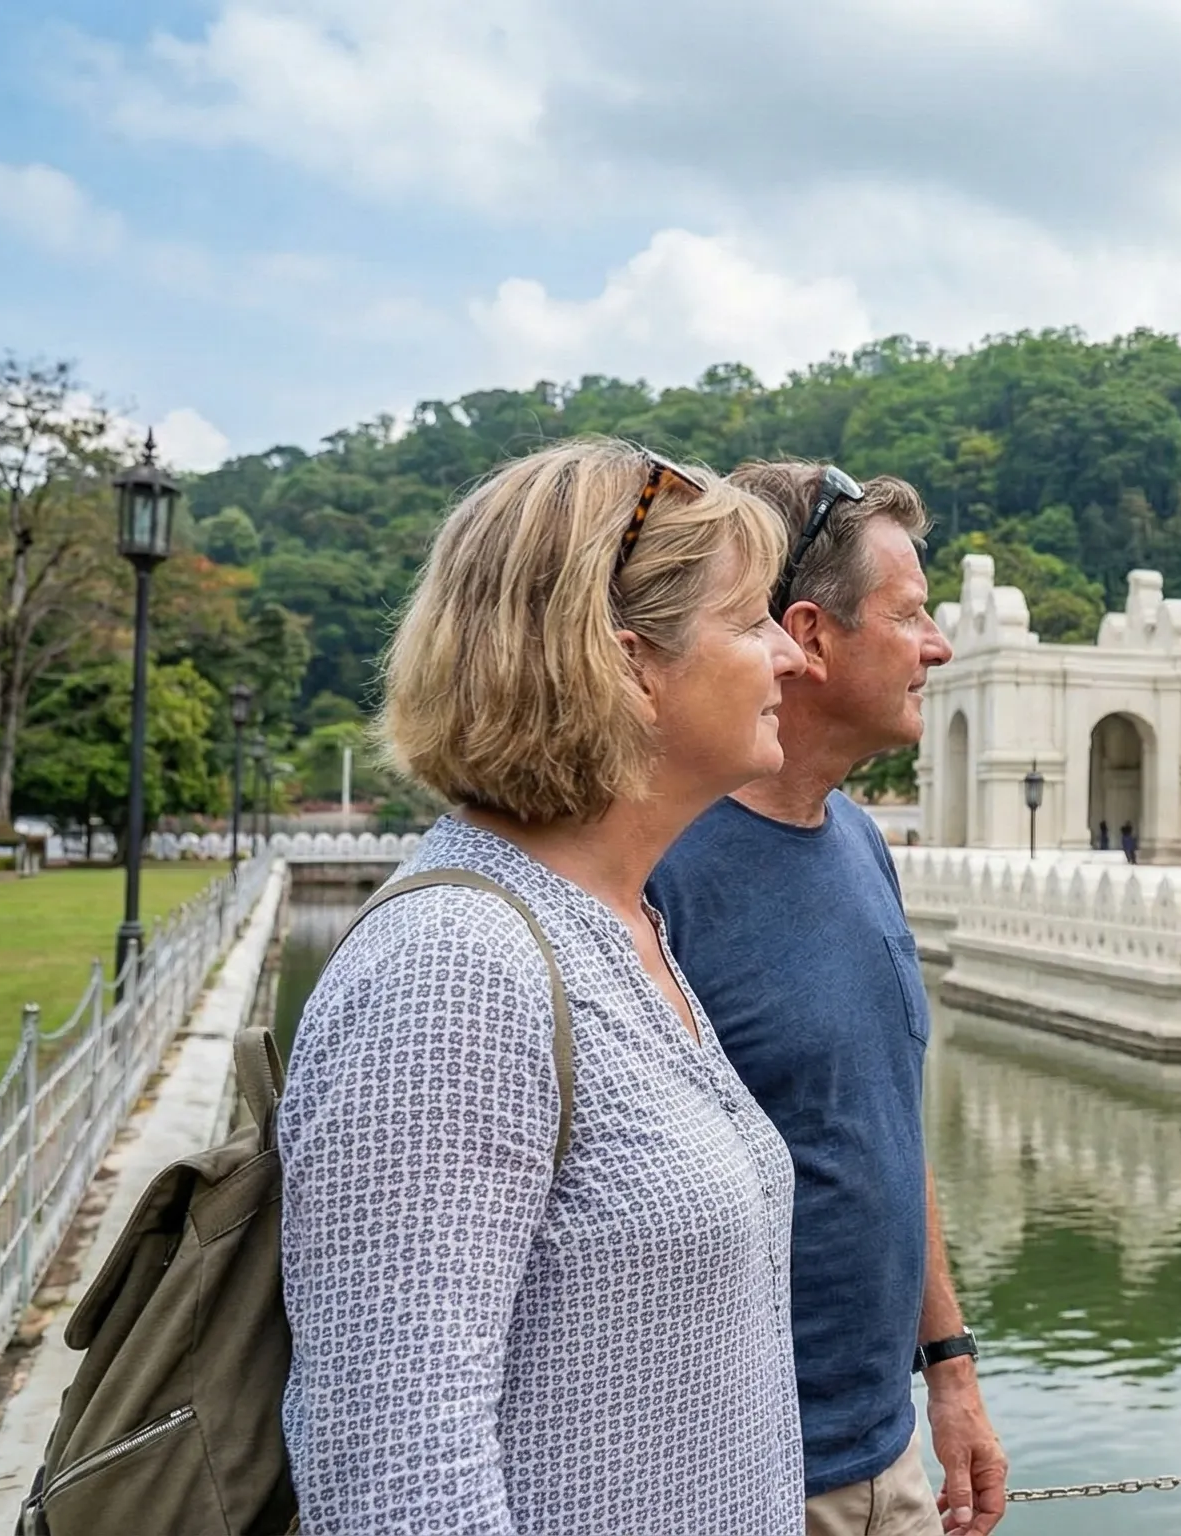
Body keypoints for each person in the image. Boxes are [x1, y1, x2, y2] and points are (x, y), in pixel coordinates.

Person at [280, 439, 809, 1533]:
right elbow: (397, 1480)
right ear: (626, 663)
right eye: (753, 620)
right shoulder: (455, 974)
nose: (789, 658)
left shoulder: (617, 922)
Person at [648, 462, 1006, 1536]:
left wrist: (946, 1367)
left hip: (883, 1454)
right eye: (909, 618)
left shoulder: (859, 842)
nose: (938, 647)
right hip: (726, 1474)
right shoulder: (652, 870)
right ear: (809, 634)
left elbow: (884, 1125)